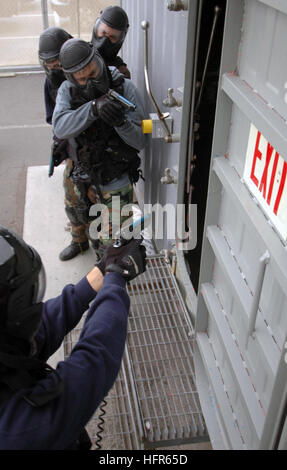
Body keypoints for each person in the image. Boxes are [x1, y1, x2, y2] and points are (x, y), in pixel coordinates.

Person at [0, 225, 146, 450]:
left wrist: (103, 268)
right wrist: (115, 280)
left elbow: (41, 327)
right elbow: (92, 364)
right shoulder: (14, 434)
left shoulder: (5, 346)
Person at [52, 38, 146, 255]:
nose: (90, 83)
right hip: (82, 174)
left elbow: (142, 139)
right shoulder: (67, 90)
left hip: (116, 179)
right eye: (82, 79)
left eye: (93, 74)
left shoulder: (125, 87)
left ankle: (110, 281)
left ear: (99, 63)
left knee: (115, 245)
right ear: (72, 78)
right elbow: (60, 128)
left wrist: (120, 123)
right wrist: (93, 109)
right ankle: (90, 258)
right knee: (85, 221)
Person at [39, 27, 92, 262]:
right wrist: (60, 140)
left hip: (99, 150)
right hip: (73, 151)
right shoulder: (50, 84)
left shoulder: (88, 73)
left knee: (101, 203)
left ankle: (107, 250)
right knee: (72, 199)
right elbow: (53, 119)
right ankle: (79, 241)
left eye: (56, 64)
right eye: (48, 65)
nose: (52, 69)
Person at [92, 5, 131, 79]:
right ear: (96, 29)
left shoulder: (121, 73)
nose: (104, 41)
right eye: (103, 32)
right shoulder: (80, 53)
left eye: (112, 37)